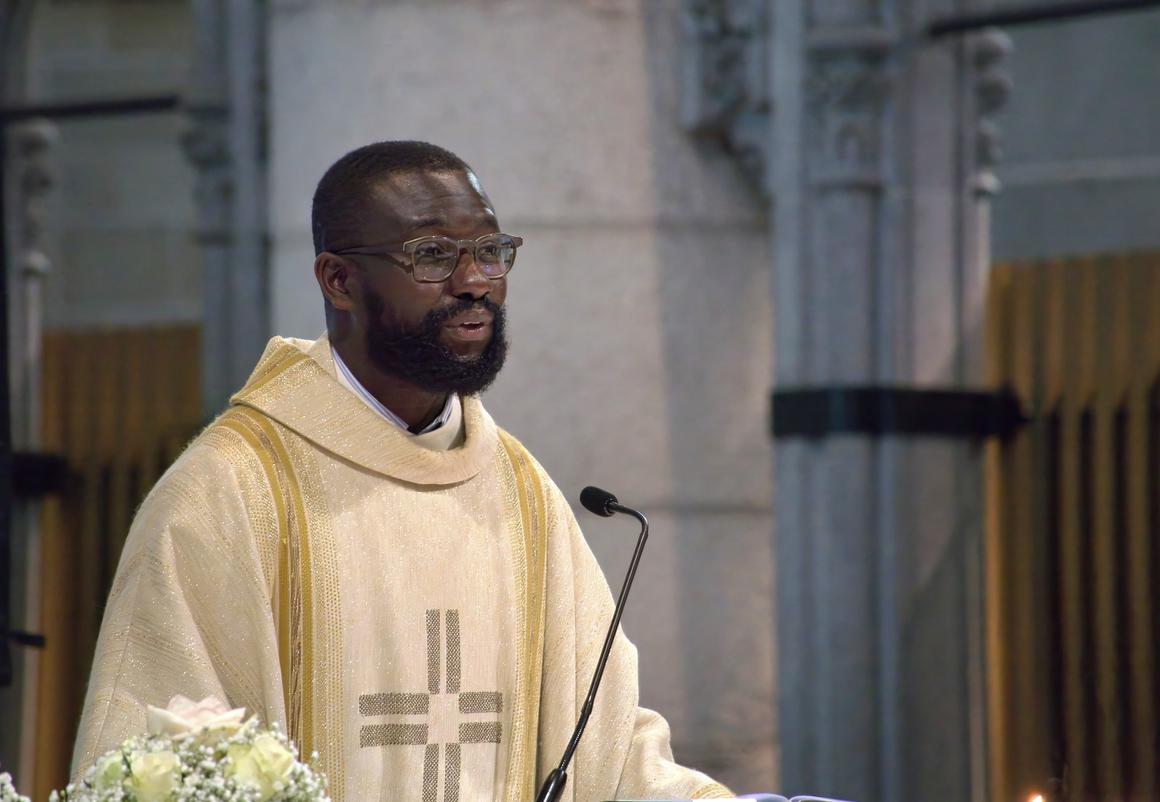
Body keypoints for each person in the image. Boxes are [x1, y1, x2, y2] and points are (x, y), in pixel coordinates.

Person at [74, 141, 733, 802]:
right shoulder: (231, 491)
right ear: (339, 281)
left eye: (490, 250)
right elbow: (156, 760)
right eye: (432, 255)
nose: (474, 280)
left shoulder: (520, 492)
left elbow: (611, 755)